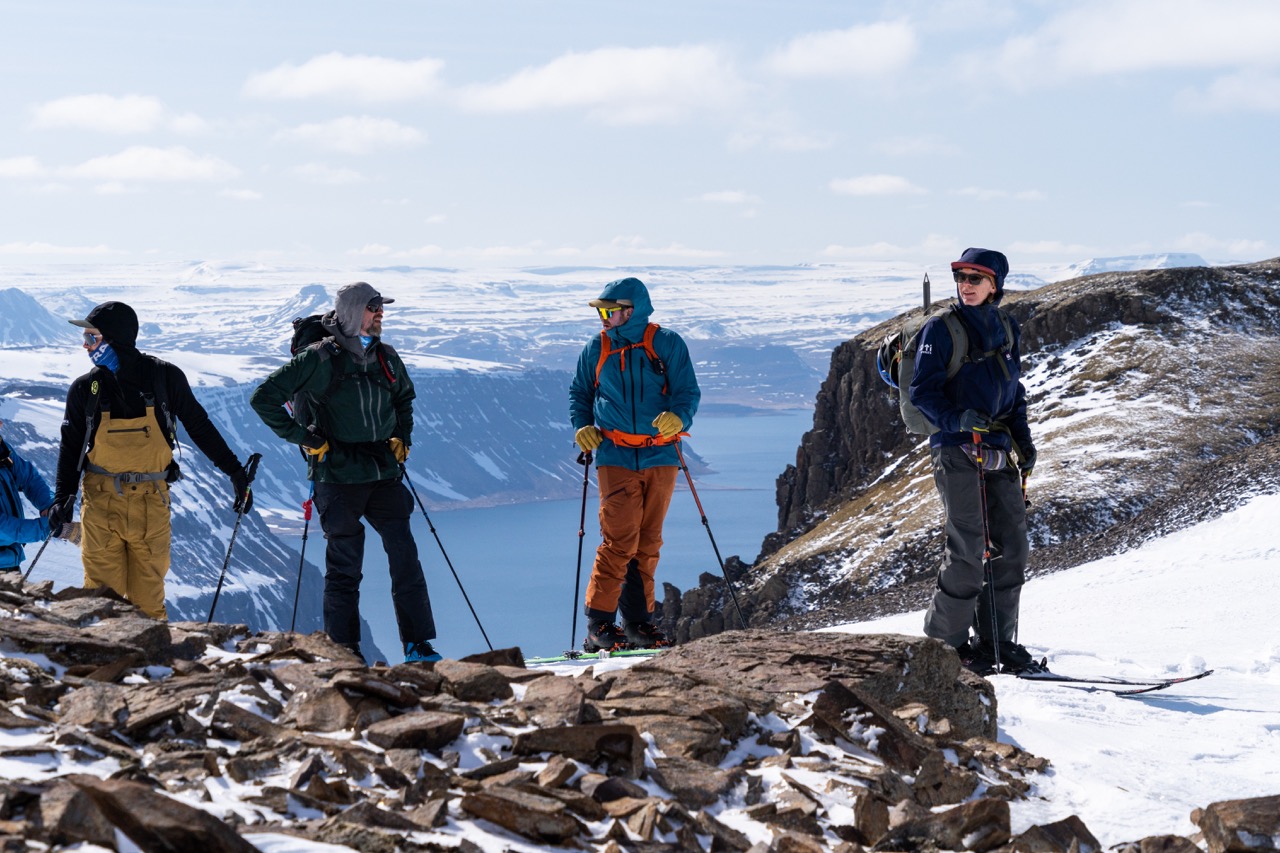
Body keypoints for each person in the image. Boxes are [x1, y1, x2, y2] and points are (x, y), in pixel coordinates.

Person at [250, 282, 440, 663]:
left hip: (382, 471)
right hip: (336, 476)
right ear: (354, 311)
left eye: (381, 308)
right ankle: (345, 651)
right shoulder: (319, 358)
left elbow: (403, 398)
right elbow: (263, 398)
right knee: (344, 568)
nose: (380, 314)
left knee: (405, 557)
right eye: (374, 308)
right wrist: (304, 438)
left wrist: (403, 436)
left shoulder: (385, 356)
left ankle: (418, 645)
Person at [49, 301, 255, 619]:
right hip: (106, 508)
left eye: (92, 337)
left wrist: (234, 472)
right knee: (102, 603)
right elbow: (71, 448)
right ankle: (104, 664)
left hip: (146, 505)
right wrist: (63, 497)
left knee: (147, 604)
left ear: (114, 338)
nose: (86, 345)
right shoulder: (85, 389)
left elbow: (199, 425)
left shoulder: (164, 378)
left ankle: (149, 667)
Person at [908, 248, 1040, 675]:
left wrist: (1023, 440)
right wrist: (956, 418)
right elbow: (921, 392)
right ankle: (945, 649)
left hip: (999, 448)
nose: (966, 285)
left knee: (1012, 547)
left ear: (994, 285)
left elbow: (1012, 390)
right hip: (955, 448)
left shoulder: (1005, 326)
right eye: (962, 277)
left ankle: (996, 644)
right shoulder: (940, 329)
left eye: (976, 279)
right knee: (968, 548)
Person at [569, 276, 701, 651]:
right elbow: (580, 392)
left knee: (648, 541)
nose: (603, 318)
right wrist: (582, 427)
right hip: (615, 454)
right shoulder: (596, 348)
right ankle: (599, 625)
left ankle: (637, 625)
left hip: (661, 454)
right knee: (620, 538)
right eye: (601, 311)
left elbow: (687, 392)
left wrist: (680, 418)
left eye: (608, 311)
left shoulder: (667, 344)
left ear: (631, 311)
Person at [1, 421, 57, 572]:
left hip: (8, 562)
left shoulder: (2, 449)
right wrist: (47, 526)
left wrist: (49, 506)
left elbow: (28, 477)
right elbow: (3, 528)